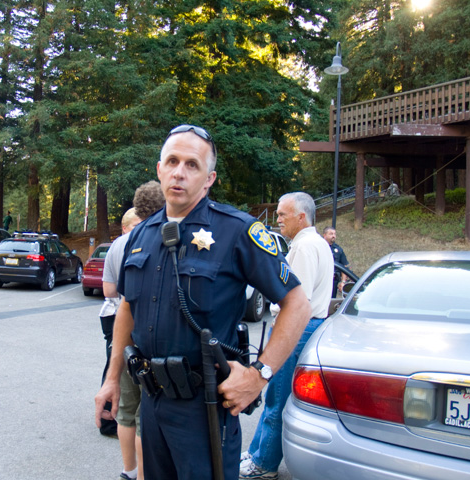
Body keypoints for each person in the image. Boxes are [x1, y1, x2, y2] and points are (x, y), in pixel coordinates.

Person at [94, 124, 311, 480]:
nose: (180, 172)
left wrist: (261, 375)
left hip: (204, 407)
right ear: (160, 169)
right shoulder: (141, 237)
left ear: (209, 178)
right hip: (152, 399)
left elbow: (298, 304)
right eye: (173, 161)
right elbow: (128, 310)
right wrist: (112, 378)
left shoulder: (237, 231)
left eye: (192, 165)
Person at [240, 192, 334, 480]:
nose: (277, 219)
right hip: (309, 327)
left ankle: (264, 464)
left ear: (301, 216)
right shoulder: (316, 243)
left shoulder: (304, 248)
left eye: (283, 214)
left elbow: (296, 302)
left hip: (297, 329)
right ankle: (257, 451)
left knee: (277, 398)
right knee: (276, 396)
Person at [102, 181, 165, 480]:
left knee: (126, 409)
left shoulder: (118, 244)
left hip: (122, 336)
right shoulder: (162, 238)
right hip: (151, 339)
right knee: (145, 417)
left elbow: (110, 291)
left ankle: (128, 471)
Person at [322, 226, 350, 297]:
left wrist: (343, 282)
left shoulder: (338, 249)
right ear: (324, 235)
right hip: (321, 280)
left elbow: (344, 266)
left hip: (333, 281)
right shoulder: (319, 247)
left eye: (334, 234)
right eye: (331, 234)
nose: (333, 236)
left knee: (331, 301)